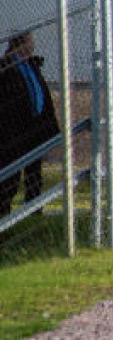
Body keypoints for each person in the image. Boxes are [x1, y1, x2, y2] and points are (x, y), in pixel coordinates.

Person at [0, 31, 61, 216]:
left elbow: (40, 93)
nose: (32, 46)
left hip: (35, 129)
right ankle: (4, 212)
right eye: (30, 42)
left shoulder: (32, 65)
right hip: (15, 130)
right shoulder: (6, 66)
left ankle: (33, 209)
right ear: (21, 44)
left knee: (34, 172)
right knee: (11, 174)